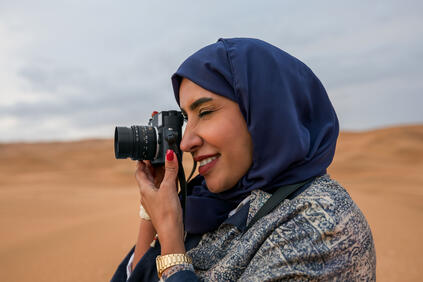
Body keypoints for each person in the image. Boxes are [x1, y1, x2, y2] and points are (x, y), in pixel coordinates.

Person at [111, 38, 376, 281]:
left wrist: (171, 243)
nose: (185, 142)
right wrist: (153, 210)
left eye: (204, 112)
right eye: (185, 119)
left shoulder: (323, 226)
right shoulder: (215, 205)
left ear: (263, 112)